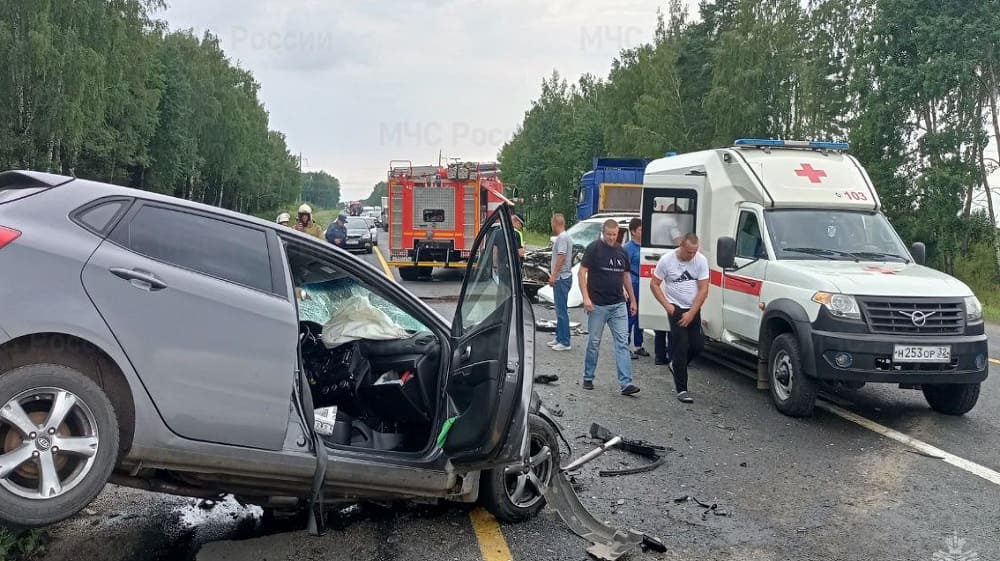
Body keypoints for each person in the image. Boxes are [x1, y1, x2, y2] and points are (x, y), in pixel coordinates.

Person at [579, 219, 640, 396]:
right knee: (594, 342)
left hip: (618, 304)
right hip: (597, 304)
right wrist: (586, 298)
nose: (612, 238)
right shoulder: (594, 249)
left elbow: (626, 276)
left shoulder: (621, 251)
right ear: (603, 232)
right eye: (609, 234)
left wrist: (633, 300)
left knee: (622, 342)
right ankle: (588, 376)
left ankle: (626, 383)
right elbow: (582, 273)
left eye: (614, 235)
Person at [650, 233, 709, 403]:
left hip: (693, 308)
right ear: (681, 246)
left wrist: (692, 312)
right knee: (681, 346)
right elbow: (654, 284)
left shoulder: (700, 260)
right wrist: (667, 306)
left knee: (697, 345)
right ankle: (682, 389)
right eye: (689, 251)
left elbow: (704, 288)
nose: (692, 255)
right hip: (675, 308)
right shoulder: (667, 261)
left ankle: (675, 364)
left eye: (695, 252)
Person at [546, 213, 573, 351]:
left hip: (561, 278)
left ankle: (565, 341)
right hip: (563, 277)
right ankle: (559, 336)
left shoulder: (562, 238)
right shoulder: (565, 236)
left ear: (555, 223)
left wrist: (553, 275)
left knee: (561, 310)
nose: (551, 225)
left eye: (552, 223)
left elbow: (561, 257)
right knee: (559, 309)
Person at [623, 218, 649, 359]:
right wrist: (624, 288)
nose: (643, 232)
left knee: (641, 316)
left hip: (644, 283)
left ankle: (638, 345)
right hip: (632, 283)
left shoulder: (646, 246)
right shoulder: (628, 248)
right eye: (640, 230)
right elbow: (623, 270)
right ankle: (625, 346)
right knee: (630, 315)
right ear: (633, 231)